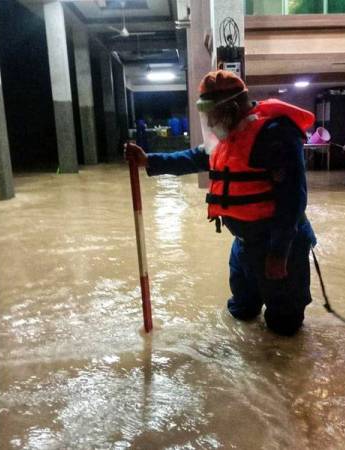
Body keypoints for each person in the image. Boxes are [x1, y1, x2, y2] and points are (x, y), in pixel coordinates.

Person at [125, 70, 316, 336]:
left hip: (280, 245)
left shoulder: (276, 135)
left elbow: (293, 199)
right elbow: (195, 157)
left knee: (284, 329)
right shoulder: (227, 136)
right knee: (242, 313)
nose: (210, 120)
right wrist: (150, 160)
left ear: (233, 107)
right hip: (244, 245)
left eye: (213, 112)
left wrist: (279, 253)